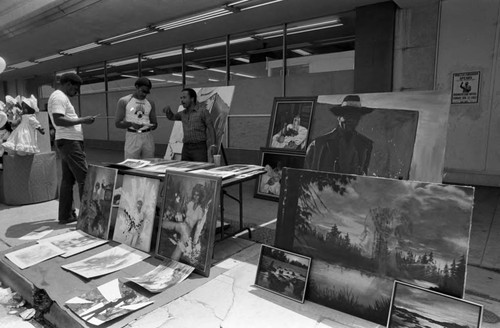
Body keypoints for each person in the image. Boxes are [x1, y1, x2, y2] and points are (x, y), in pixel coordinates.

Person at [48, 72, 97, 224]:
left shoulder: (60, 97)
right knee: (84, 179)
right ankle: (87, 217)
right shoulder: (59, 97)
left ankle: (66, 215)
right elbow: (59, 119)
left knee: (68, 181)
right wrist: (83, 120)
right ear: (68, 84)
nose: (76, 92)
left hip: (67, 141)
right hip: (69, 142)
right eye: (75, 89)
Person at [305, 95, 373, 175]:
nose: (351, 120)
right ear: (339, 117)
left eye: (355, 117)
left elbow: (364, 175)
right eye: (347, 115)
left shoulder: (365, 145)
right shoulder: (318, 144)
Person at [164, 88, 216, 162]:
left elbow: (211, 128)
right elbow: (172, 117)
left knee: (199, 169)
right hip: (186, 147)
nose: (182, 100)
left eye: (184, 98)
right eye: (181, 98)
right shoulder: (182, 113)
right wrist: (168, 111)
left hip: (199, 148)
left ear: (192, 99)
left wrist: (213, 145)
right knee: (185, 169)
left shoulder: (203, 112)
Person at [162, 184, 208, 262]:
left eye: (197, 195)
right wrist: (179, 215)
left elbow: (198, 229)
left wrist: (194, 242)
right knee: (165, 224)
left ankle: (173, 261)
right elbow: (183, 215)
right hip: (182, 225)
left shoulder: (200, 211)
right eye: (194, 194)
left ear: (200, 197)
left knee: (181, 244)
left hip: (188, 230)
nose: (195, 197)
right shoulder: (190, 204)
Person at [115, 77, 158, 159]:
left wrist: (153, 125)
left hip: (147, 136)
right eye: (143, 91)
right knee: (130, 164)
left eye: (147, 92)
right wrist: (131, 124)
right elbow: (117, 123)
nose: (144, 94)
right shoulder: (124, 101)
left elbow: (155, 123)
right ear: (137, 87)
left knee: (149, 163)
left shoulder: (150, 103)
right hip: (132, 135)